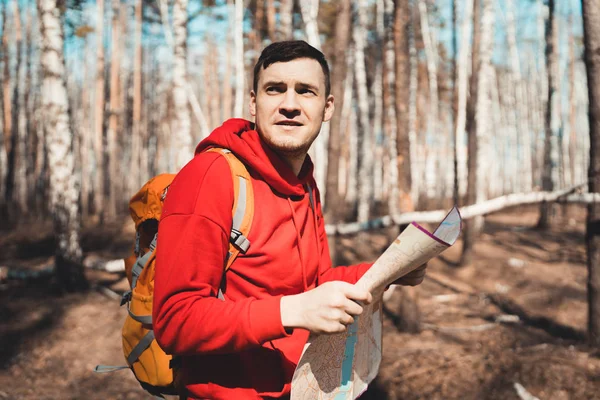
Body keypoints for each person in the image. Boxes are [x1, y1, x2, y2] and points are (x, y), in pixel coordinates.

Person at [153, 40, 427, 400]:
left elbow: (312, 283)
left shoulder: (305, 183)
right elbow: (175, 320)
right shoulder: (210, 177)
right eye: (275, 89)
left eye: (306, 91)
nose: (290, 104)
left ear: (327, 107)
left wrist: (385, 271)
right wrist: (290, 311)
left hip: (303, 388)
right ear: (253, 103)